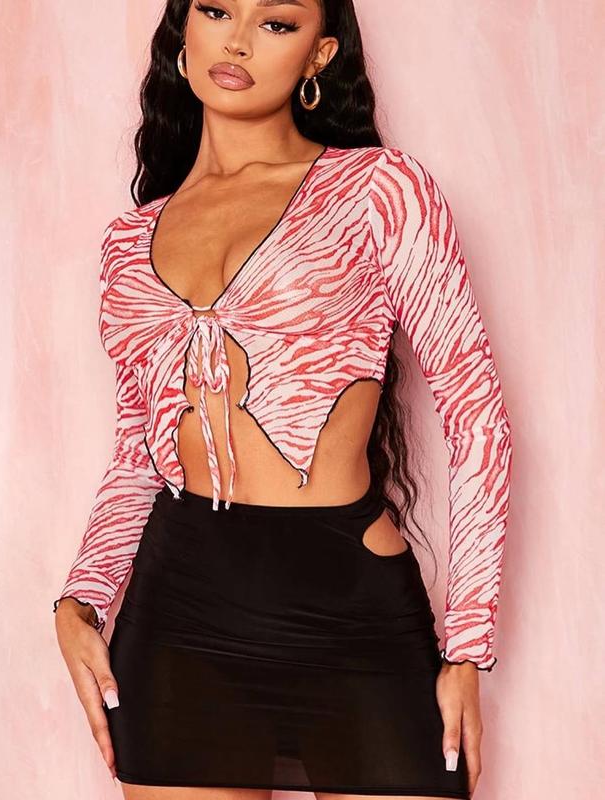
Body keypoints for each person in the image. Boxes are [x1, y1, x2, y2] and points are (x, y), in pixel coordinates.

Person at [53, 2, 513, 799]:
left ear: (318, 54)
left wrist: (467, 646)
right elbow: (139, 451)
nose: (236, 40)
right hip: (177, 617)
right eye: (215, 9)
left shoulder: (378, 190)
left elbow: (475, 412)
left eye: (276, 23)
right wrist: (81, 599)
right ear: (184, 33)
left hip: (351, 608)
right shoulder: (128, 242)